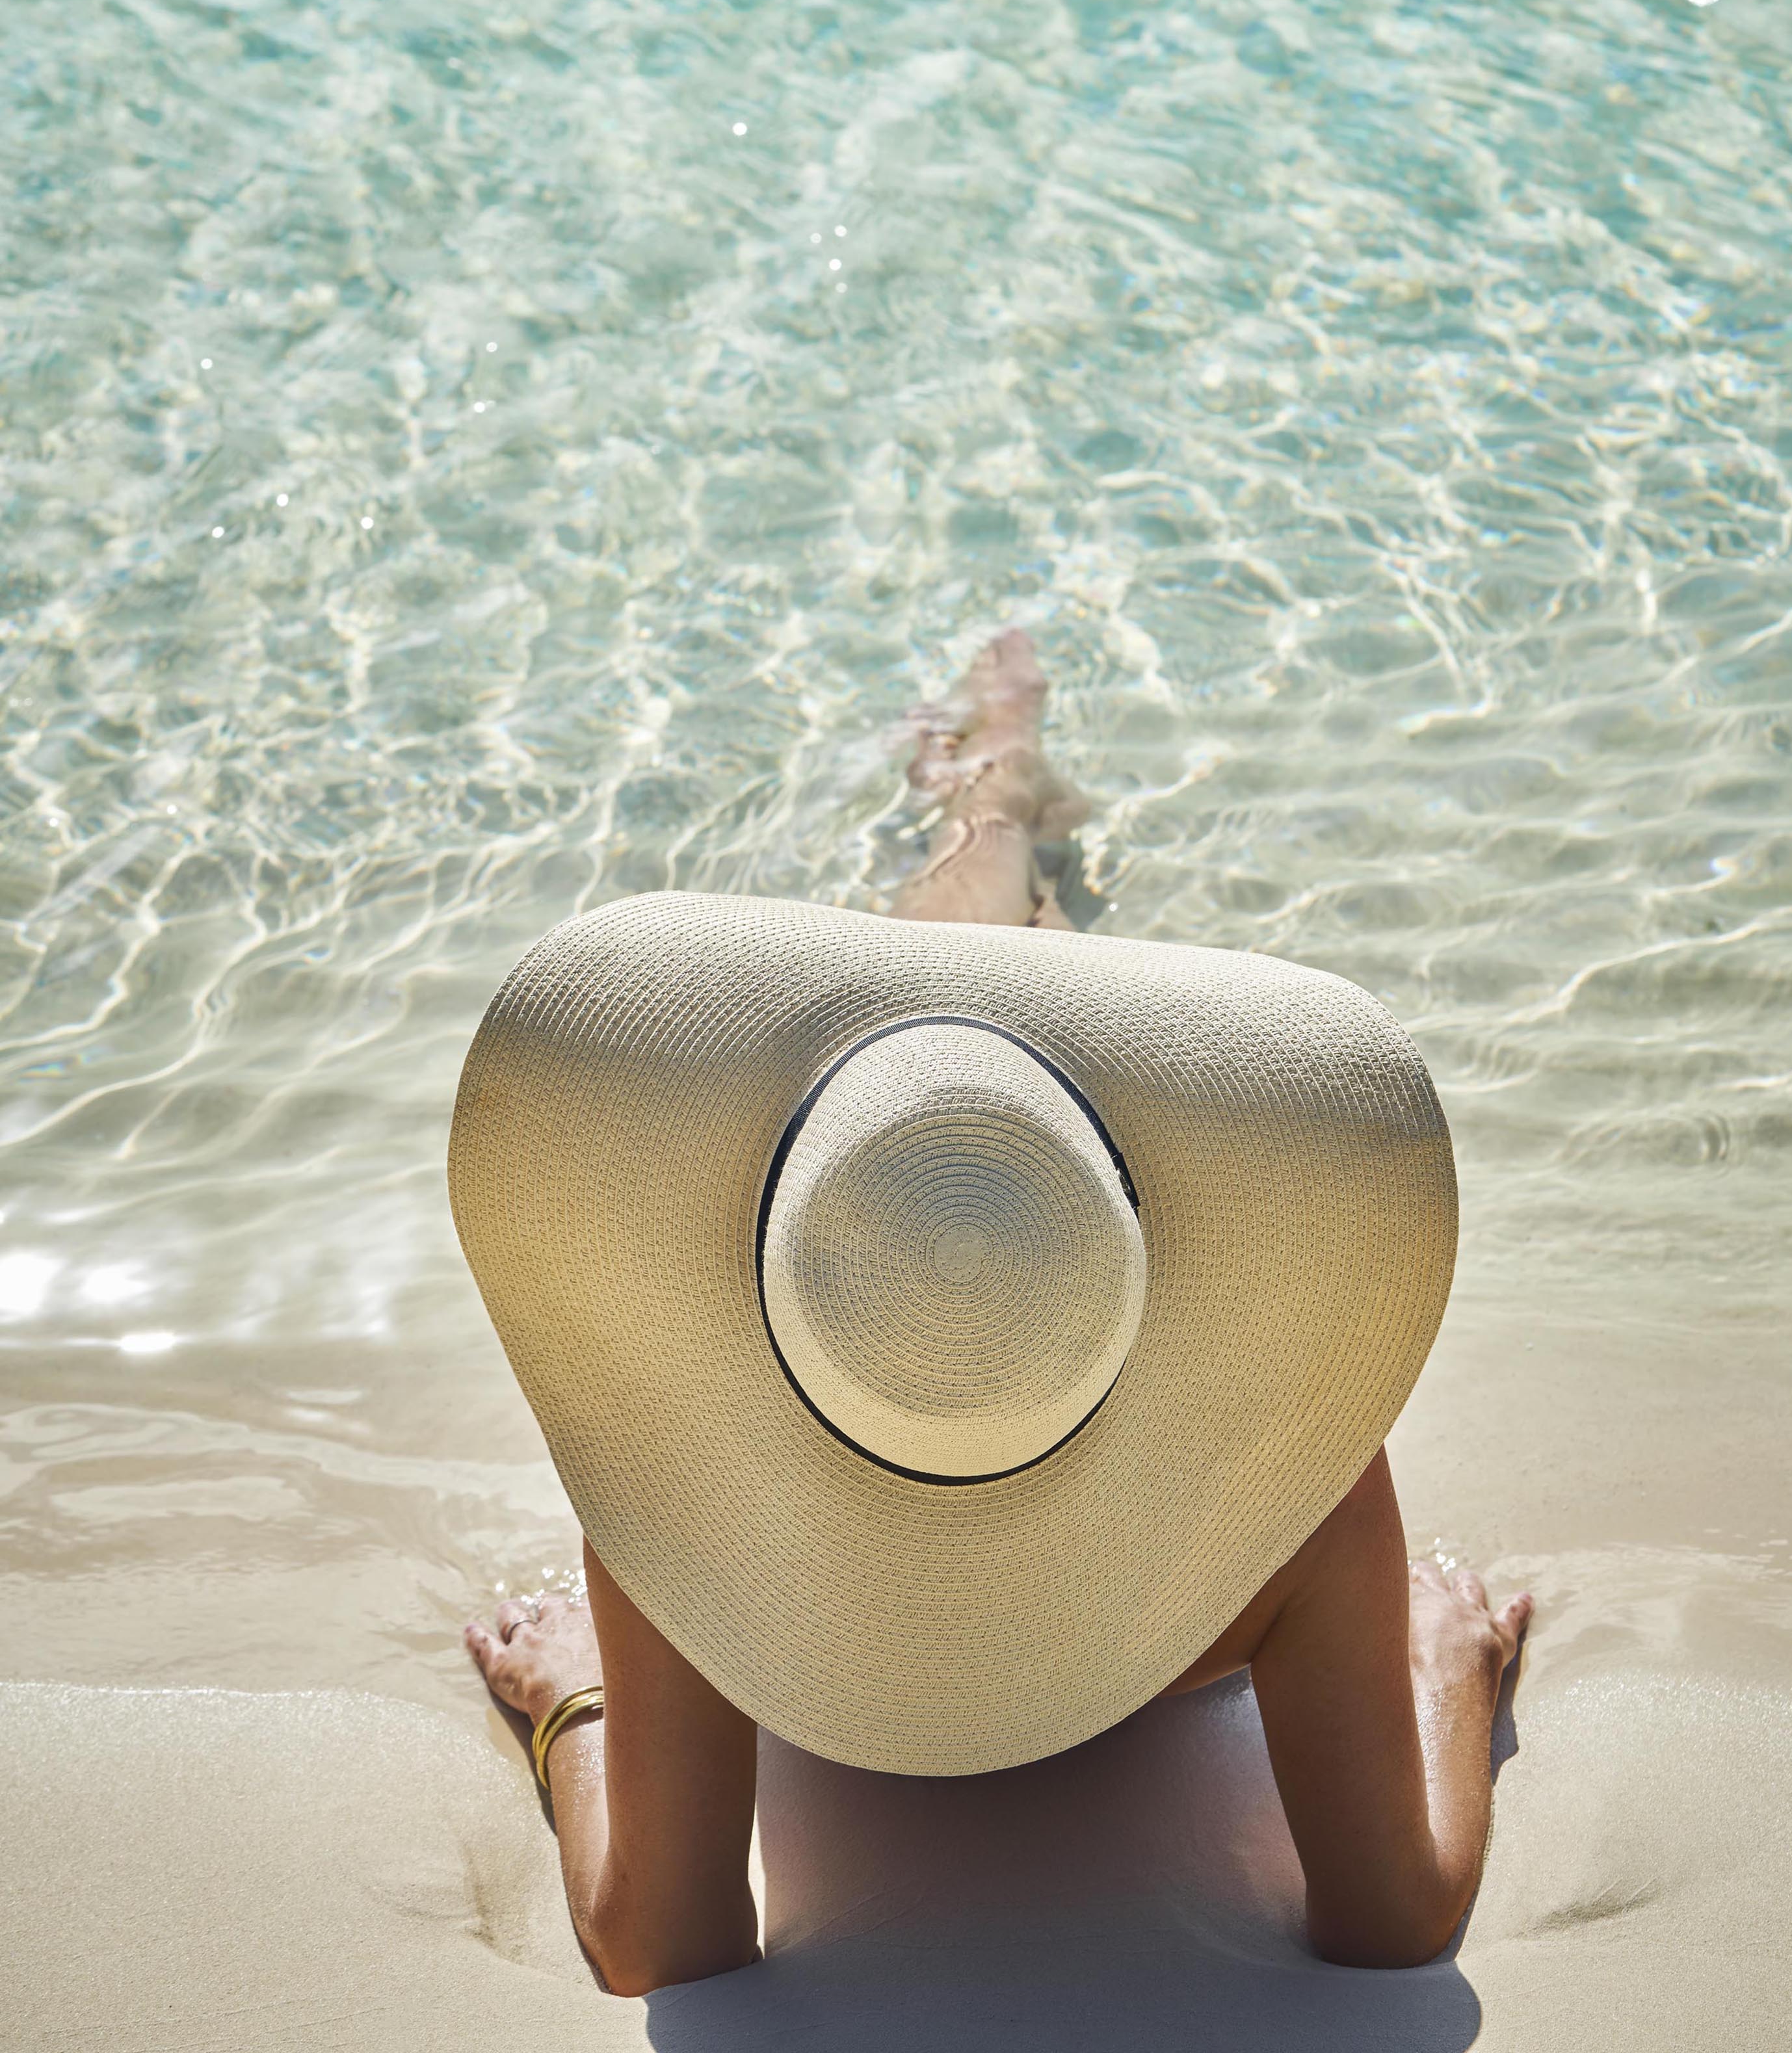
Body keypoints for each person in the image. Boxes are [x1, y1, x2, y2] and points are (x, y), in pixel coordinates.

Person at [464, 631, 1531, 1996]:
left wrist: (575, 1700)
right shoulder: (1294, 1490)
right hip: (1162, 1468)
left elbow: (662, 1943)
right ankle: (1003, 795)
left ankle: (986, 798)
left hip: (786, 1535)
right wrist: (1443, 1667)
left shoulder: (678, 1481)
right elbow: (1391, 1921)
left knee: (953, 1032)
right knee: (1022, 1049)